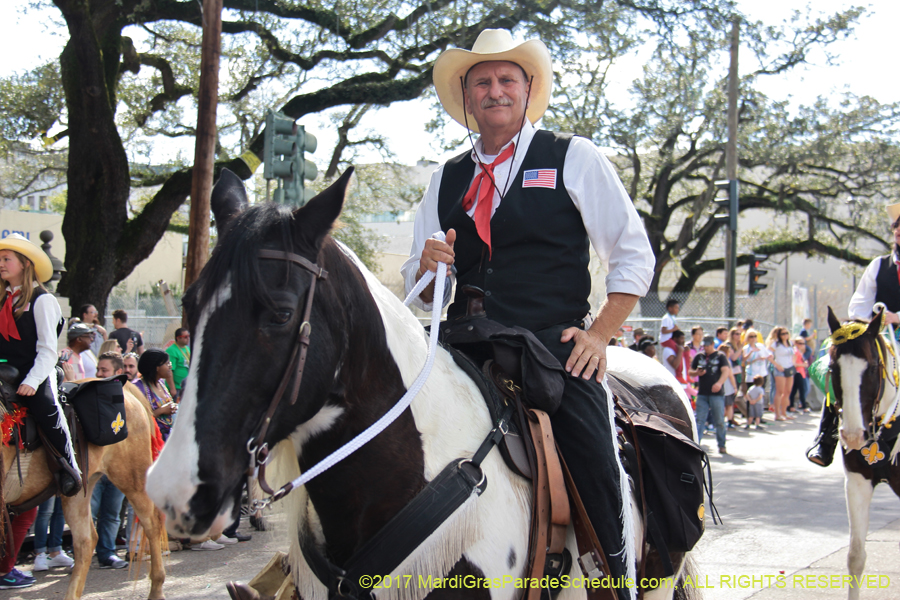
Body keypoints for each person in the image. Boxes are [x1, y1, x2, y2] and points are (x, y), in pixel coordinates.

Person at [401, 29, 655, 596]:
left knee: (592, 446)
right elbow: (421, 292)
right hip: (460, 347)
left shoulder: (573, 156)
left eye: (506, 80)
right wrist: (427, 267)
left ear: (527, 89)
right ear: (467, 98)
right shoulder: (444, 178)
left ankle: (615, 573)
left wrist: (599, 336)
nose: (495, 90)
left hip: (550, 348)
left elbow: (633, 256)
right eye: (483, 82)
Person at [808, 201, 900, 466]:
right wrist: (868, 320)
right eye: (897, 227)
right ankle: (826, 440)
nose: (899, 231)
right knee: (837, 368)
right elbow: (859, 301)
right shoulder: (878, 266)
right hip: (878, 335)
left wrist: (897, 317)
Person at [0, 233, 81, 496]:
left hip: (34, 372)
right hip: (4, 372)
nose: (0, 263)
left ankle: (68, 468)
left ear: (24, 263)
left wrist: (31, 382)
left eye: (6, 258)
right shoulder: (3, 300)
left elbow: (48, 350)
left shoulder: (42, 299)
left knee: (48, 410)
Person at [689, 335, 731, 454]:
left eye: (707, 345)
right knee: (700, 420)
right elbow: (690, 372)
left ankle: (721, 444)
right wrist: (697, 372)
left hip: (716, 393)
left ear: (712, 344)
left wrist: (719, 383)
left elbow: (725, 371)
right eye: (704, 346)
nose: (706, 348)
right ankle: (696, 445)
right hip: (702, 393)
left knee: (719, 420)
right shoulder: (699, 356)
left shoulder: (720, 356)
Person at [133, 350, 178, 441]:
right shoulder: (138, 387)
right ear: (156, 367)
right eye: (166, 363)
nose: (170, 366)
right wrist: (161, 410)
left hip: (167, 437)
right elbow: (137, 420)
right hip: (151, 439)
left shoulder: (161, 382)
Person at [32, 496, 75, 572]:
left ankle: (56, 552)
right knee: (45, 512)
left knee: (60, 512)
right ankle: (40, 554)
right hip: (46, 484)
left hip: (61, 484)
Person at [766, 326, 795, 421]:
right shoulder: (775, 344)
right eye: (783, 333)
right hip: (780, 369)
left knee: (788, 391)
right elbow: (768, 355)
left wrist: (793, 363)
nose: (785, 335)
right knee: (780, 391)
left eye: (786, 333)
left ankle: (784, 412)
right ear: (779, 335)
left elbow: (793, 355)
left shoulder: (790, 343)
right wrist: (776, 365)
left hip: (789, 368)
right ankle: (777, 414)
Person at [166, 328, 190, 397]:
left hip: (186, 386)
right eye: (185, 337)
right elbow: (169, 370)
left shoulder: (187, 348)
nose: (188, 338)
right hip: (176, 388)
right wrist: (172, 388)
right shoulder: (172, 351)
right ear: (178, 338)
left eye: (188, 336)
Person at [790, 336, 811, 413]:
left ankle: (791, 406)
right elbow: (794, 363)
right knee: (802, 390)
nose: (803, 345)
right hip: (798, 373)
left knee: (794, 390)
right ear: (796, 344)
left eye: (804, 343)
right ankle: (803, 407)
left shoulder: (799, 351)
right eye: (801, 343)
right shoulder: (796, 352)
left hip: (800, 373)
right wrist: (803, 365)